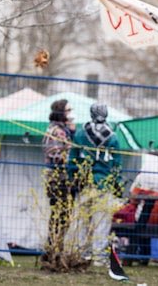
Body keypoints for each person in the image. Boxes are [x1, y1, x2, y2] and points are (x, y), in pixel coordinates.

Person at [68, 103, 127, 280]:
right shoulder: (113, 137)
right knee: (101, 223)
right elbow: (117, 163)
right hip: (104, 185)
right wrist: (116, 181)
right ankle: (99, 257)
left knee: (82, 221)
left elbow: (73, 158)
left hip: (84, 183)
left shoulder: (80, 133)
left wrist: (72, 176)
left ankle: (82, 252)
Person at [41, 99, 75, 262]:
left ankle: (54, 248)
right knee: (60, 214)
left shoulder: (62, 130)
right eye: (68, 110)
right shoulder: (58, 131)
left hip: (58, 175)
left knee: (60, 214)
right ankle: (52, 249)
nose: (71, 114)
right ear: (62, 113)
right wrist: (71, 159)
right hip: (57, 176)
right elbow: (55, 154)